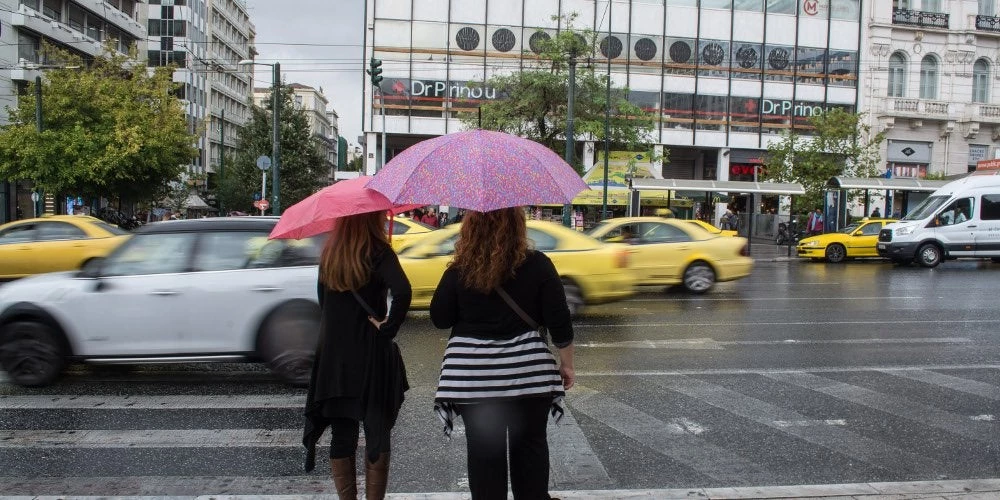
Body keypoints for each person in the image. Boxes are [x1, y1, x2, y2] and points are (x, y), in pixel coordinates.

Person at [430, 207, 574, 500]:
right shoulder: (538, 265)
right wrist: (566, 365)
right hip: (527, 375)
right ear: (517, 226)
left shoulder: (459, 270)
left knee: (484, 456)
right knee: (530, 449)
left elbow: (439, 318)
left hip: (473, 379)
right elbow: (559, 320)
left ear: (470, 228)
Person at [303, 210, 412, 500]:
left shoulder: (330, 254)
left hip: (335, 358)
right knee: (376, 432)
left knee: (342, 433)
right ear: (374, 218)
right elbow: (403, 291)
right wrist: (388, 328)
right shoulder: (379, 251)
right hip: (371, 356)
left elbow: (323, 303)